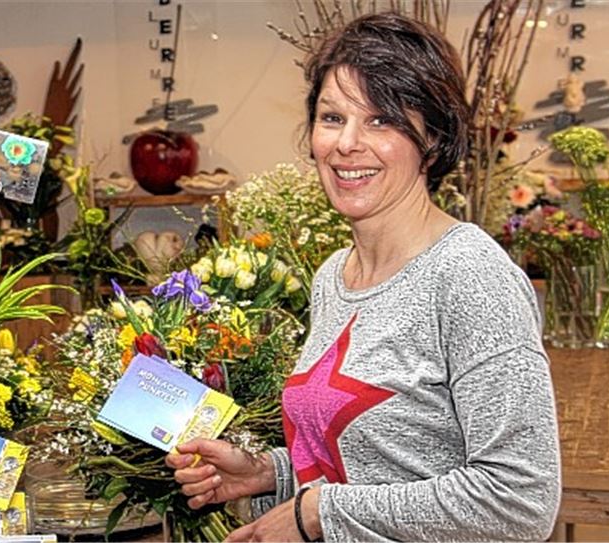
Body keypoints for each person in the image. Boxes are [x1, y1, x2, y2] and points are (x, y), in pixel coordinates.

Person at [167, 12, 560, 542]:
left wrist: (316, 514)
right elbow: (377, 463)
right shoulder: (335, 276)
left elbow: (520, 501)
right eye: (332, 117)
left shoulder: (470, 276)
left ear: (435, 139)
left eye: (381, 120)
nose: (348, 143)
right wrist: (267, 473)